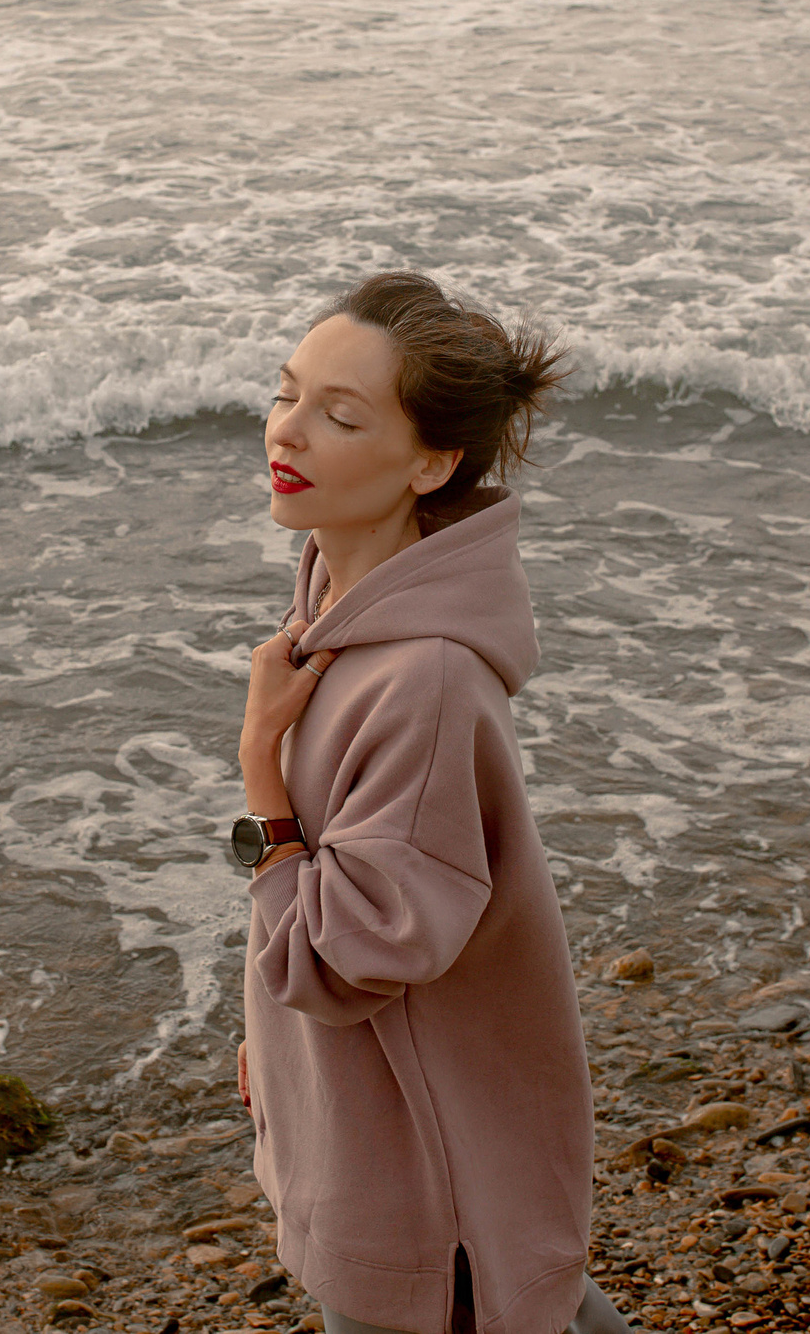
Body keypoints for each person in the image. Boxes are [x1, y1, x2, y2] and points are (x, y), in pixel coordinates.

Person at [229, 272, 626, 1334]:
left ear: (431, 462)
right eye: (287, 393)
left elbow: (347, 949)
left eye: (340, 414)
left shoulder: (426, 683)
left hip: (424, 1191)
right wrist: (269, 1045)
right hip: (405, 1141)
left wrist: (259, 772)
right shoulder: (336, 602)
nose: (291, 431)